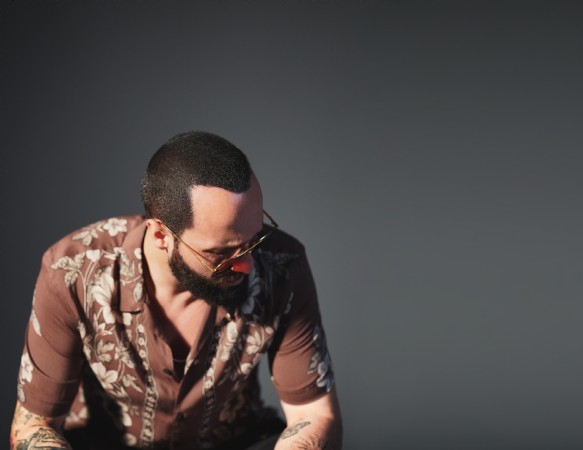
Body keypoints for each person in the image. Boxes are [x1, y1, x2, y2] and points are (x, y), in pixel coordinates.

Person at [10, 131, 341, 450]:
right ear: (160, 235)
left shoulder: (282, 265)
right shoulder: (72, 273)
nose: (248, 266)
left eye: (255, 239)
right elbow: (34, 425)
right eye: (220, 253)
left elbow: (314, 415)